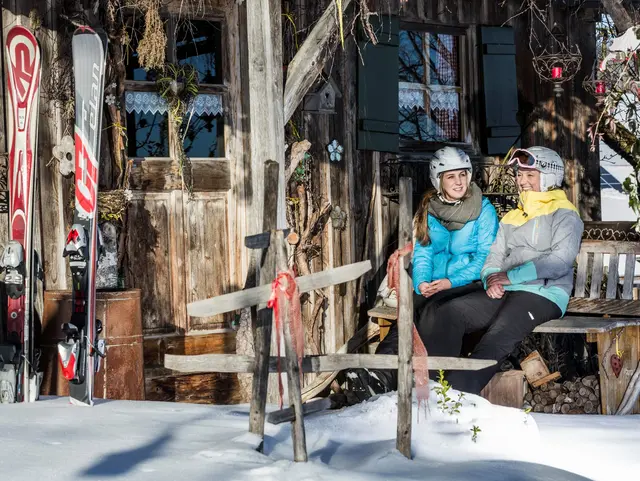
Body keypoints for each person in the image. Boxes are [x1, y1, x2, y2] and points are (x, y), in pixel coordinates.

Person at [344, 147, 499, 401]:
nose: (459, 182)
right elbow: (424, 253)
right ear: (438, 179)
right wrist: (422, 282)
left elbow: (485, 258)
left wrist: (449, 281)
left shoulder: (483, 210)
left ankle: (424, 382)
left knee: (431, 314)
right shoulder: (430, 208)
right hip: (436, 285)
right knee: (409, 312)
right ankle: (379, 374)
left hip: (469, 283)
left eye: (462, 175)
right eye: (451, 176)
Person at [427, 146, 584, 395]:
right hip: (507, 288)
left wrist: (511, 276)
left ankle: (456, 398)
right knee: (451, 312)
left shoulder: (565, 214)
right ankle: (430, 387)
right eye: (520, 175)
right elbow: (495, 255)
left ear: (549, 177)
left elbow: (560, 261)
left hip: (544, 293)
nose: (522, 181)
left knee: (497, 335)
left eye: (530, 175)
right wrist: (491, 278)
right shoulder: (513, 215)